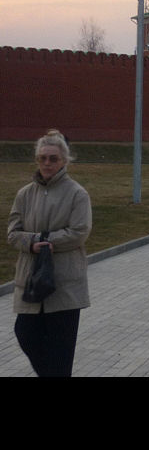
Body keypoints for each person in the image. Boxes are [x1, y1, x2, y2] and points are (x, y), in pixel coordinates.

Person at [7, 129, 92, 377]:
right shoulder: (25, 194)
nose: (47, 163)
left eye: (53, 158)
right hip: (31, 281)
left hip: (63, 284)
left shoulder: (77, 194)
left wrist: (45, 241)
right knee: (25, 333)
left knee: (60, 353)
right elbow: (13, 233)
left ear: (64, 160)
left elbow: (79, 232)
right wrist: (34, 242)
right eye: (42, 158)